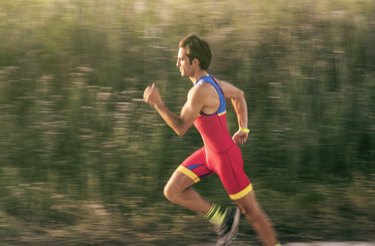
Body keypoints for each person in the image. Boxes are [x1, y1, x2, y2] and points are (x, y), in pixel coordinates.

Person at [143, 34, 280, 246]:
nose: (177, 62)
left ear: (194, 61)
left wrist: (158, 104)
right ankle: (223, 219)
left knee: (252, 212)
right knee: (172, 190)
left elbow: (180, 127)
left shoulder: (200, 91)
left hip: (226, 159)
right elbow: (239, 95)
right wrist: (243, 127)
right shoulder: (212, 82)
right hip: (209, 154)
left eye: (181, 59)